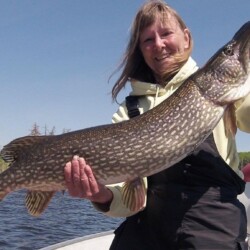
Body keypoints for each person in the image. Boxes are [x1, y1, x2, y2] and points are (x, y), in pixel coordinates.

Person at [64, 1, 250, 249]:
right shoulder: (129, 111)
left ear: (186, 37)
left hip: (211, 219)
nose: (159, 44)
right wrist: (101, 195)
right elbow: (129, 199)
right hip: (147, 224)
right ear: (141, 50)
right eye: (148, 40)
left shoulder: (227, 92)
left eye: (166, 34)